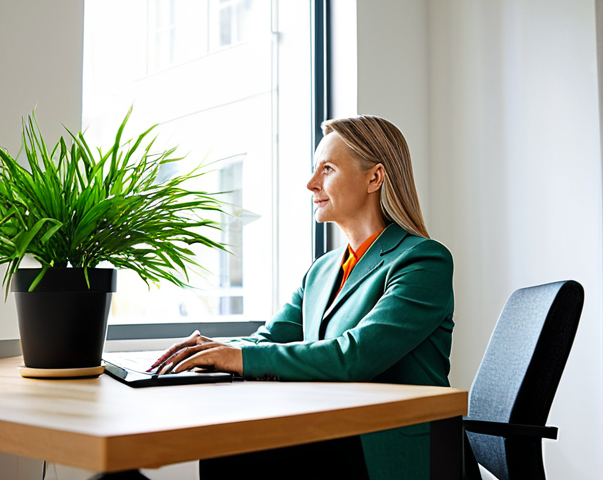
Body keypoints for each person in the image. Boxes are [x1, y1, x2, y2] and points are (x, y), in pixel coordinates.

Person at [151, 115, 455, 480]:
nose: (311, 184)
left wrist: (234, 355)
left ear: (374, 178)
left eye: (327, 169)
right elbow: (267, 340)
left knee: (235, 456)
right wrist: (210, 350)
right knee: (229, 448)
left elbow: (352, 357)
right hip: (333, 431)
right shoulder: (322, 271)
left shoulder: (423, 261)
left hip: (383, 445)